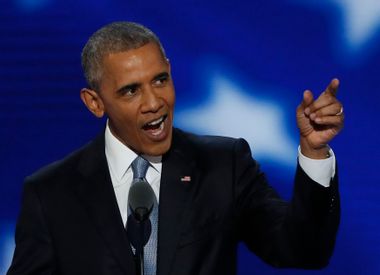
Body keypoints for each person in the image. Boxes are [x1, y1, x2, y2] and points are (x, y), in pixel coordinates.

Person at [7, 22, 343, 275]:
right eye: (130, 91)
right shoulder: (51, 193)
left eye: (160, 80)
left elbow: (304, 250)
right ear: (95, 103)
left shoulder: (223, 165)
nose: (154, 103)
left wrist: (314, 153)